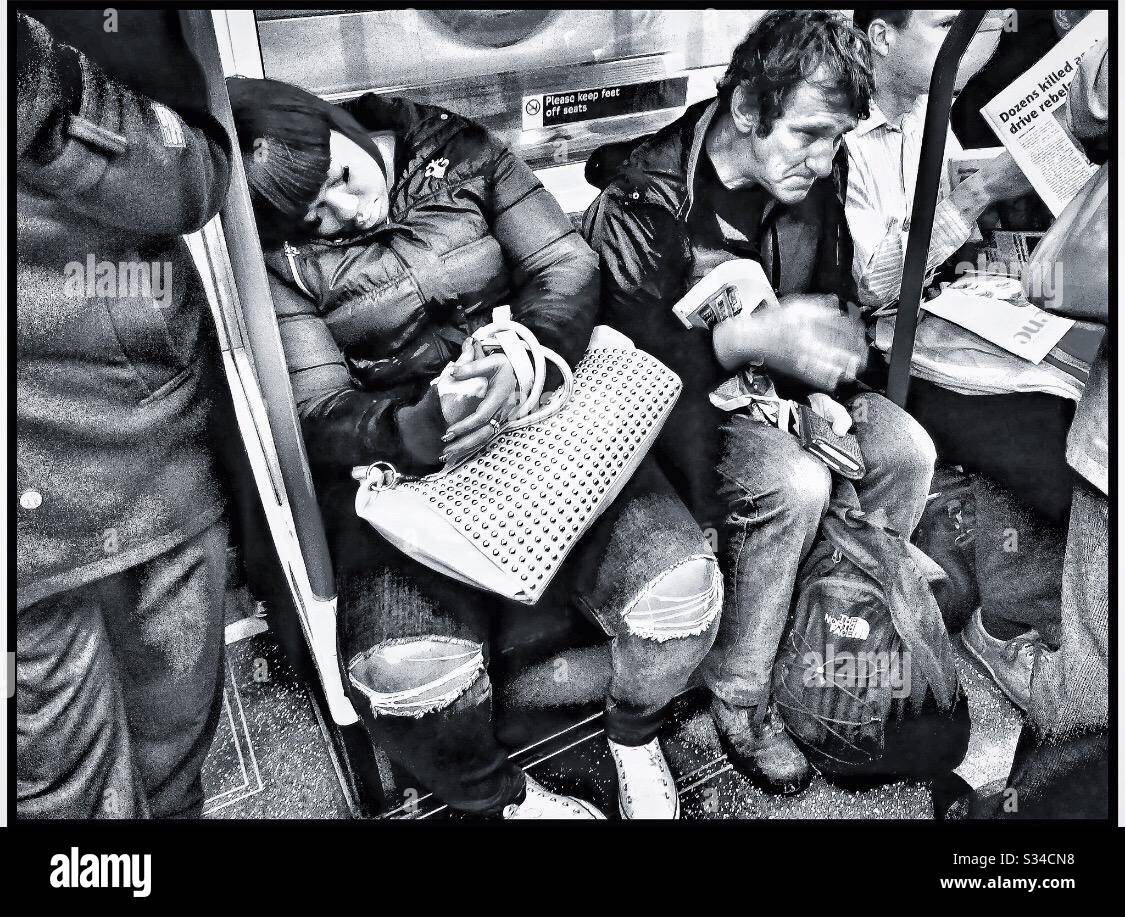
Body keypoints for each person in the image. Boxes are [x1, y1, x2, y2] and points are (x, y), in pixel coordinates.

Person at [227, 77, 724, 819]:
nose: (347, 211)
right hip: (407, 462)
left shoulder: (458, 150)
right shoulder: (276, 259)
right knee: (404, 678)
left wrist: (529, 354)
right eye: (314, 217)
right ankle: (506, 799)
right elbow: (321, 405)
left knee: (681, 597)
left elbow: (564, 264)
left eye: (340, 176)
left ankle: (632, 735)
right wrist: (417, 425)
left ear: (335, 121)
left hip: (545, 416)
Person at [583, 9, 936, 796]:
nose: (822, 158)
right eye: (808, 134)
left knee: (904, 450)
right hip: (675, 414)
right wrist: (747, 347)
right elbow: (631, 380)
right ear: (747, 110)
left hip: (775, 384)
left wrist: (826, 394)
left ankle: (827, 628)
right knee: (793, 483)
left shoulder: (814, 171)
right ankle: (741, 697)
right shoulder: (643, 198)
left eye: (836, 137)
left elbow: (829, 292)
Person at [16, 10, 233, 818]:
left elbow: (196, 175)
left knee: (174, 761)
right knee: (58, 800)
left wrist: (35, 87)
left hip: (145, 456)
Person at [846, 9, 1074, 712]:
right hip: (893, 347)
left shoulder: (927, 111)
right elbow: (870, 285)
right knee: (1059, 444)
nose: (968, 44)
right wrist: (974, 196)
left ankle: (1028, 605)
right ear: (881, 37)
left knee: (1077, 385)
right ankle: (1009, 628)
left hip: (955, 311)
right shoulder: (842, 135)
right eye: (948, 24)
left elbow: (946, 211)